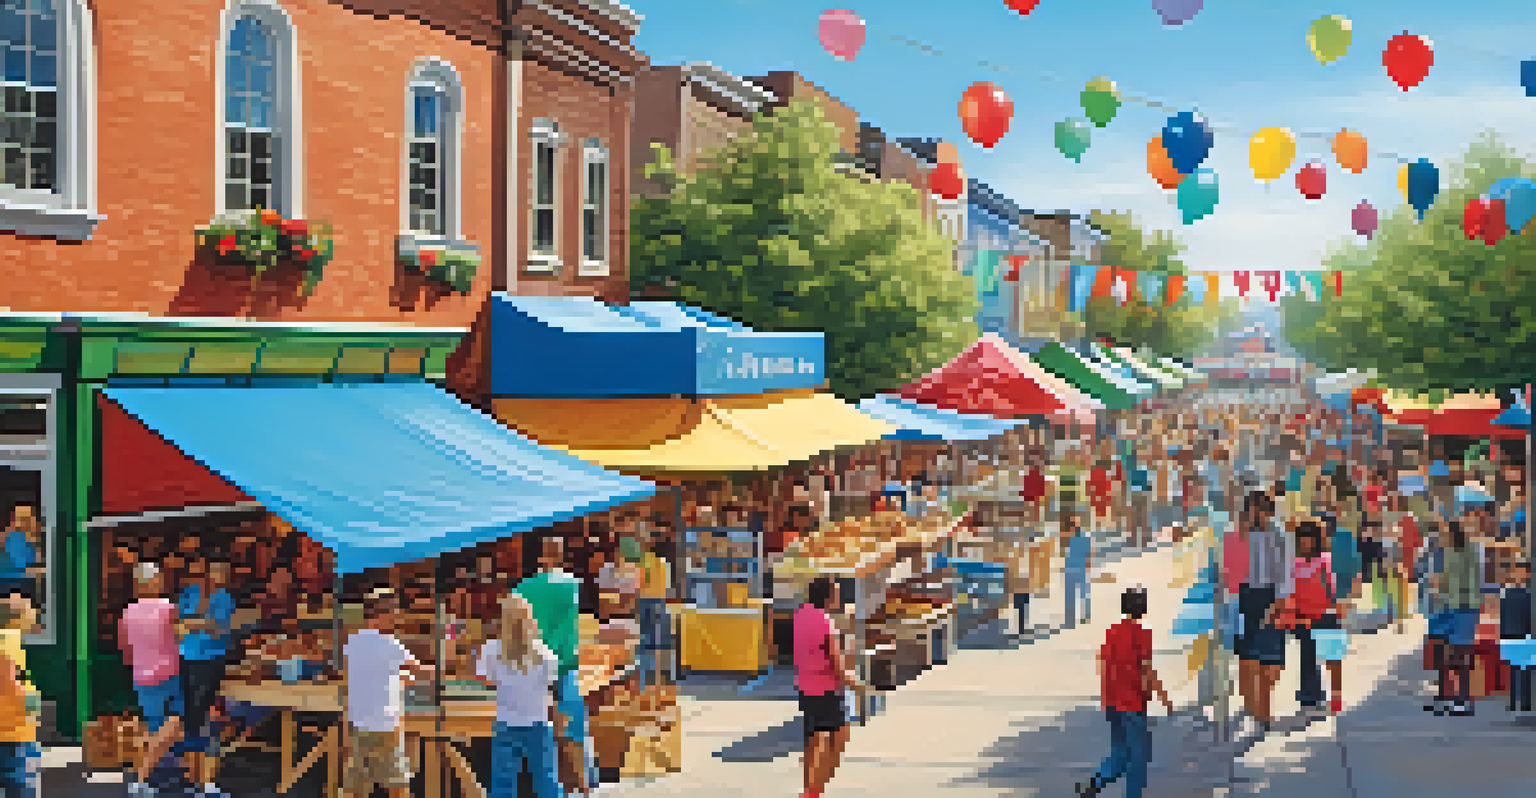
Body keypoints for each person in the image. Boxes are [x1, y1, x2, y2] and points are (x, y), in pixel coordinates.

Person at [1075, 587, 1175, 798]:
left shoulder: (1112, 632)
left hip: (1112, 702)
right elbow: (1147, 669)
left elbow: (1102, 664)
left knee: (1120, 751)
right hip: (1133, 703)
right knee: (1138, 756)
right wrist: (1163, 696)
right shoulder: (1142, 634)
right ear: (1143, 608)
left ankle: (1094, 782)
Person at [515, 537, 593, 794]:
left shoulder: (522, 588)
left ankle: (544, 786)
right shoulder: (572, 584)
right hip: (565, 664)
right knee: (572, 730)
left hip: (533, 665)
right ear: (561, 555)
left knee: (536, 728)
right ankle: (583, 786)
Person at [342, 587, 433, 798]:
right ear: (380, 615)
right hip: (385, 723)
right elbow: (421, 671)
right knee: (398, 785)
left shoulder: (352, 642)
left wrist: (397, 677)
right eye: (393, 612)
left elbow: (365, 673)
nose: (396, 617)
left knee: (356, 786)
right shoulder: (391, 645)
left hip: (359, 722)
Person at [476, 595, 563, 798]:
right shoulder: (546, 654)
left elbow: (485, 681)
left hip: (506, 722)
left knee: (502, 785)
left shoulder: (490, 649)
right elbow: (552, 686)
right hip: (538, 723)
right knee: (547, 781)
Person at [118, 563, 186, 796]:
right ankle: (156, 773)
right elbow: (183, 640)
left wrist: (136, 664)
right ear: (156, 582)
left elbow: (125, 648)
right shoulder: (170, 608)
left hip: (142, 677)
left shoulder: (128, 612)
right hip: (170, 674)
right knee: (176, 723)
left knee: (156, 724)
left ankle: (158, 775)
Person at [795, 577, 865, 798]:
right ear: (826, 596)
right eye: (835, 592)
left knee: (812, 739)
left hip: (806, 686)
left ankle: (808, 790)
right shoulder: (825, 622)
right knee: (839, 739)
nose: (838, 596)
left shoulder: (800, 615)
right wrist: (857, 684)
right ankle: (816, 791)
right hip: (827, 688)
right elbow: (837, 664)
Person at [176, 553, 236, 793]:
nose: (222, 576)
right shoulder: (191, 594)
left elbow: (217, 629)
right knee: (195, 717)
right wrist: (201, 623)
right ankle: (197, 778)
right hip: (194, 659)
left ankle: (200, 779)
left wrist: (194, 623)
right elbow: (179, 627)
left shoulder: (222, 597)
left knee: (200, 717)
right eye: (220, 570)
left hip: (207, 658)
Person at [1235, 491, 1292, 735]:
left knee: (1272, 661)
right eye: (1251, 509)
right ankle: (1258, 711)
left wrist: (1279, 601)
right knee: (1247, 657)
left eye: (1260, 510)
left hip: (1270, 596)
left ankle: (1261, 706)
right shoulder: (1238, 535)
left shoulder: (1279, 536)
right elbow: (1228, 568)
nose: (1256, 515)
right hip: (1244, 597)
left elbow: (1285, 571)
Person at [1287, 520, 1346, 714]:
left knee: (1332, 659)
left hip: (1327, 615)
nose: (1305, 542)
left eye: (1309, 537)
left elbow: (1334, 589)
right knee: (1308, 658)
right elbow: (1291, 591)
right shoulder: (1293, 563)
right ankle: (1310, 697)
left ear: (1317, 539)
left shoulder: (1326, 560)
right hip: (1304, 617)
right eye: (1302, 537)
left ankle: (1336, 696)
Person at [1426, 520, 1483, 716]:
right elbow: (1439, 581)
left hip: (1463, 608)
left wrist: (1440, 587)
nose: (1442, 536)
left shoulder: (1468, 553)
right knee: (1445, 656)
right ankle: (1445, 698)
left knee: (1460, 656)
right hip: (1447, 608)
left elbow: (1469, 582)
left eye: (1445, 532)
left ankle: (1463, 700)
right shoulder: (1444, 552)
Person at [1499, 560, 1533, 716]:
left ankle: (1518, 704)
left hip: (1516, 635)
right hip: (1518, 635)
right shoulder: (1522, 594)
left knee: (1519, 672)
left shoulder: (1508, 594)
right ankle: (1520, 705)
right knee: (1520, 672)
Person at [0, 504, 41, 597]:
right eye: (23, 519)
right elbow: (20, 567)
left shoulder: (30, 540)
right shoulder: (15, 538)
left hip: (19, 585)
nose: (26, 522)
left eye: (29, 518)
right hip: (11, 586)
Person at [1063, 514, 1094, 628]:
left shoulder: (1084, 536)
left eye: (1074, 524)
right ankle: (1070, 617)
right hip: (1070, 568)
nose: (1072, 526)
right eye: (1070, 524)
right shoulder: (1066, 537)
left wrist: (1087, 567)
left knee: (1083, 593)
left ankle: (1085, 615)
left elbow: (1088, 553)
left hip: (1080, 568)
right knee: (1070, 594)